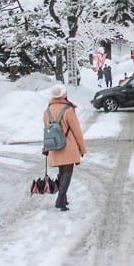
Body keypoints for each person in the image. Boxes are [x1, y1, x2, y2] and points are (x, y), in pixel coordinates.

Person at [43, 84, 86, 212]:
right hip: (68, 147)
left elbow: (46, 131)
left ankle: (63, 199)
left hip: (54, 146)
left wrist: (45, 147)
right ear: (65, 95)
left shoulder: (47, 111)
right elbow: (76, 130)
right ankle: (60, 200)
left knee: (62, 172)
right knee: (67, 173)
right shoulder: (68, 110)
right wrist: (82, 149)